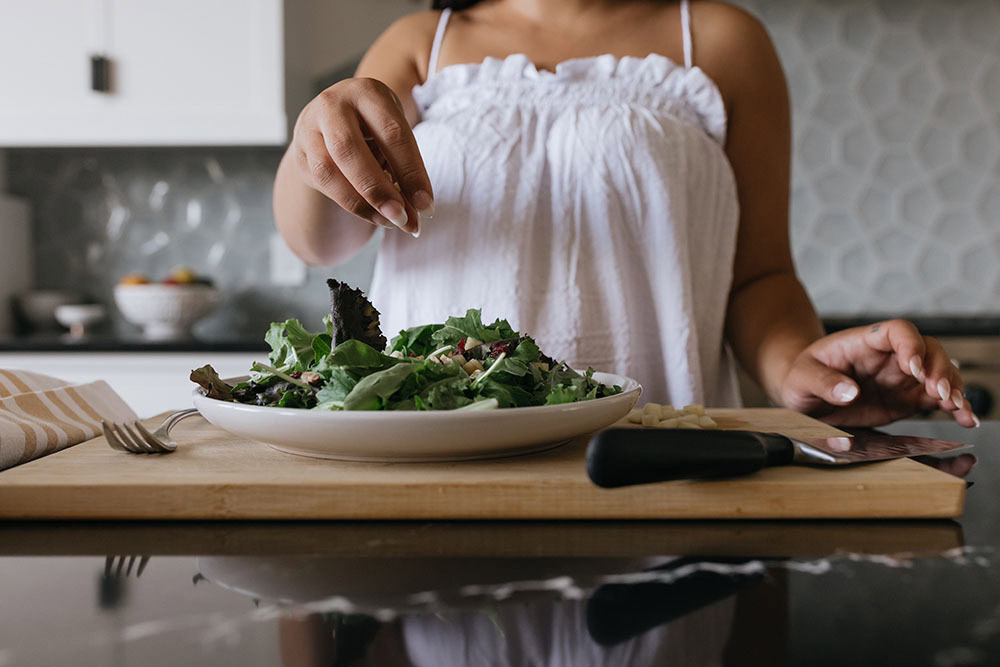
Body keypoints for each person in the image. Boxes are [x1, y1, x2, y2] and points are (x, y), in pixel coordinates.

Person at [273, 0, 978, 429]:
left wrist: (796, 366)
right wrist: (316, 139)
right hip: (433, 470)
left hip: (657, 465)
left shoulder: (725, 42)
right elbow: (320, 239)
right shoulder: (417, 44)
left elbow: (760, 276)